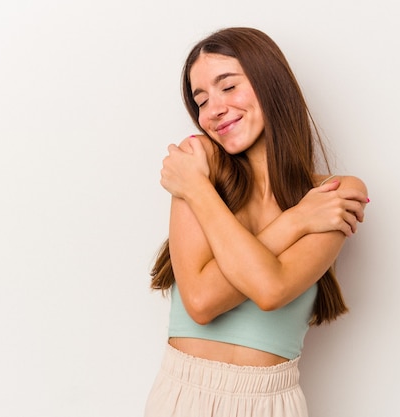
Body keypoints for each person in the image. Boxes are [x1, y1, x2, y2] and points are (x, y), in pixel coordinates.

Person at [144, 27, 369, 417]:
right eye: (201, 99)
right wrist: (297, 220)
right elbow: (200, 302)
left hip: (271, 404)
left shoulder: (336, 193)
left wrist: (197, 190)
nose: (212, 109)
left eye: (228, 87)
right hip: (182, 398)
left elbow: (271, 289)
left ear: (270, 83)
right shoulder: (200, 166)